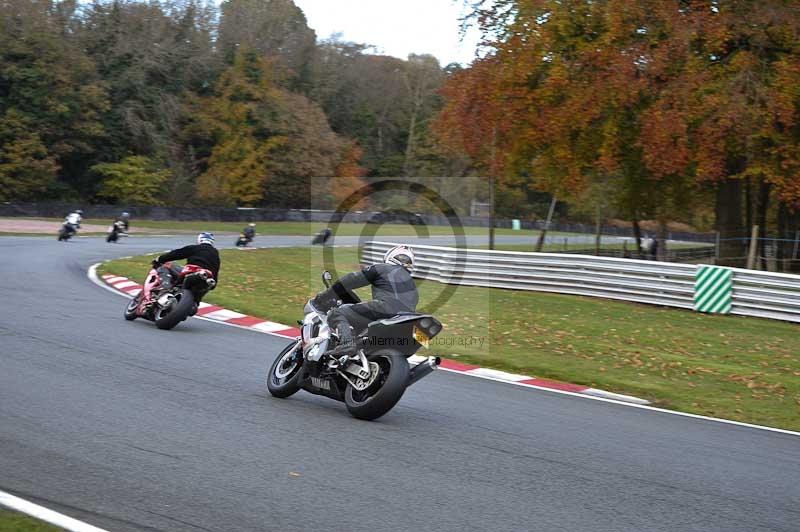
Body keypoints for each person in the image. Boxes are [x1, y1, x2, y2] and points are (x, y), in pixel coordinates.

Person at [313, 245, 418, 357]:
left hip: (385, 310)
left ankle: (346, 344)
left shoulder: (382, 268)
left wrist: (323, 296)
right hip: (407, 321)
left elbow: (350, 280)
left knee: (337, 312)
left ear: (390, 257)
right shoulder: (413, 287)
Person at [152, 232, 221, 294]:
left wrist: (159, 259)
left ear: (199, 240)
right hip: (206, 279)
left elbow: (176, 254)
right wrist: (213, 284)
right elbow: (216, 270)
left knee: (166, 265)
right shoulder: (215, 254)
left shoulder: (195, 248)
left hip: (193, 272)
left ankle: (164, 288)